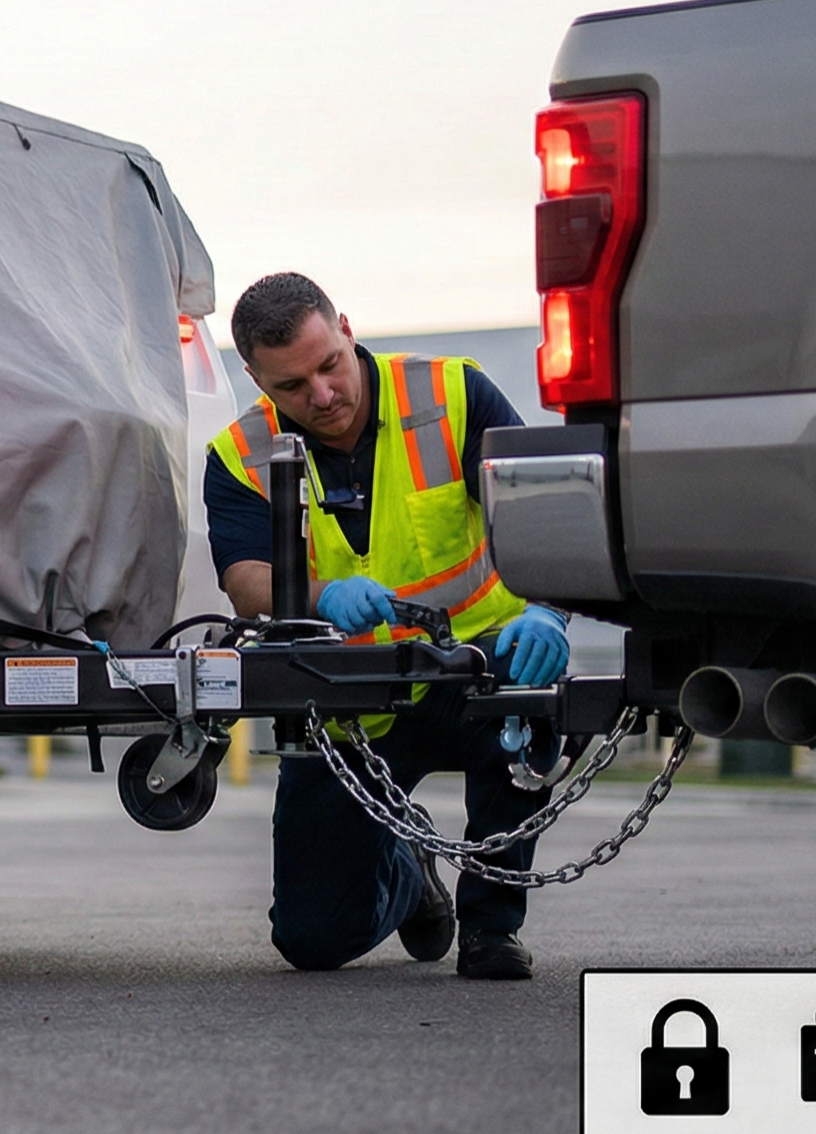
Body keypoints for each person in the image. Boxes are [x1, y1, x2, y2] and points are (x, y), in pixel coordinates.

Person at [205, 272, 571, 979]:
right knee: (312, 941)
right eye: (291, 387)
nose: (321, 396)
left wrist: (545, 612)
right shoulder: (238, 454)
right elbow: (245, 581)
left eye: (329, 365)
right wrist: (319, 594)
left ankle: (491, 928)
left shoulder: (453, 396)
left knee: (525, 702)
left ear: (346, 327)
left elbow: (538, 519)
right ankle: (409, 873)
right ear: (254, 377)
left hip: (473, 669)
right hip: (347, 711)